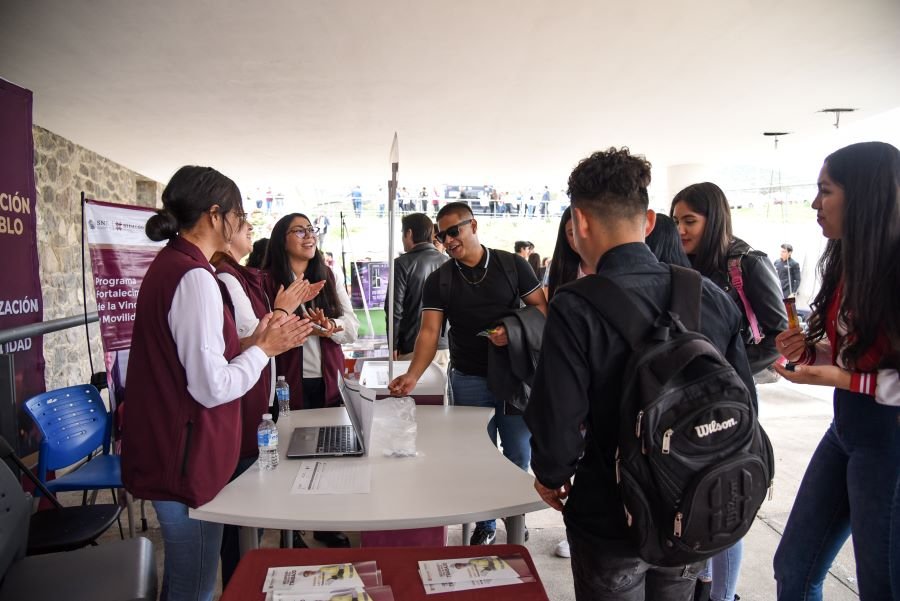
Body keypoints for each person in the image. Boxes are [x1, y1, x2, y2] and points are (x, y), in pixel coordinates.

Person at [525, 148, 755, 601]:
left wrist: (551, 475)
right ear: (649, 221)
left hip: (611, 515)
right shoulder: (707, 293)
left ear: (580, 222)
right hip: (693, 506)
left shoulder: (575, 305)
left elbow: (558, 419)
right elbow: (744, 398)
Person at [121, 165, 313, 601]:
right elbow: (211, 385)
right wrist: (263, 351)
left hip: (173, 449)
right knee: (197, 584)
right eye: (238, 214)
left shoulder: (177, 266)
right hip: (183, 457)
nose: (243, 224)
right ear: (214, 215)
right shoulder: (194, 277)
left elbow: (196, 356)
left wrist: (259, 339)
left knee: (188, 577)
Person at [771, 142, 900, 600]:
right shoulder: (848, 260)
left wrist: (844, 379)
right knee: (794, 565)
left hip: (888, 441)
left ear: (864, 195)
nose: (814, 204)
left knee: (882, 584)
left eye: (825, 191)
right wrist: (813, 353)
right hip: (847, 428)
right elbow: (859, 354)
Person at [389, 201, 547, 545]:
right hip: (469, 378)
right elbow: (429, 333)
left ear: (473, 225)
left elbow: (542, 310)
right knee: (477, 456)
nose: (448, 240)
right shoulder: (440, 280)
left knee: (518, 454)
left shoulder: (512, 265)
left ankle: (514, 518)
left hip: (515, 375)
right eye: (442, 235)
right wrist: (413, 375)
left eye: (454, 231)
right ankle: (486, 523)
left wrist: (513, 330)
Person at [670, 182, 787, 601]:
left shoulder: (747, 263)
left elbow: (778, 336)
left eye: (690, 221)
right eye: (676, 221)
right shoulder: (676, 264)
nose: (681, 230)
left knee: (727, 501)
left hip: (732, 402)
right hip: (684, 406)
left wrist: (728, 374)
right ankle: (699, 587)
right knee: (691, 501)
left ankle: (723, 595)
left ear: (713, 218)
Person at [213, 219, 321, 583]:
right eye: (241, 221)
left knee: (252, 511)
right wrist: (283, 311)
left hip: (259, 397)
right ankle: (239, 580)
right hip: (243, 405)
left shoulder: (241, 277)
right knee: (243, 518)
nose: (248, 227)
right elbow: (250, 342)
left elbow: (259, 339)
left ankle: (245, 574)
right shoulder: (225, 279)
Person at [263, 212, 360, 548]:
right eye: (299, 230)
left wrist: (329, 328)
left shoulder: (328, 275)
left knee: (329, 456)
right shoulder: (268, 280)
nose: (309, 236)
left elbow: (352, 326)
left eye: (312, 229)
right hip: (285, 383)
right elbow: (262, 330)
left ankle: (324, 522)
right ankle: (290, 532)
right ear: (281, 239)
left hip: (326, 379)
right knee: (290, 456)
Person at [543, 206, 596, 559]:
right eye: (567, 231)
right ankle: (572, 528)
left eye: (575, 228)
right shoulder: (561, 272)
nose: (572, 236)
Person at [385, 213, 450, 369]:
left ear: (409, 233)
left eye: (402, 232)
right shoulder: (448, 262)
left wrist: (392, 344)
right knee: (440, 393)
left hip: (412, 347)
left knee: (409, 392)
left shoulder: (401, 264)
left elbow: (394, 309)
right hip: (444, 346)